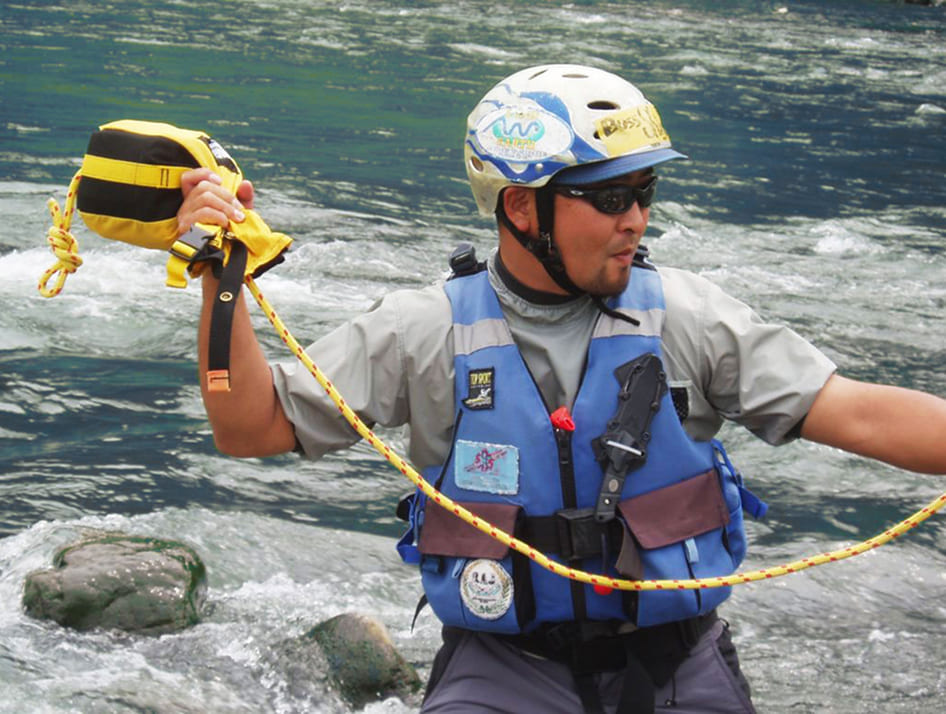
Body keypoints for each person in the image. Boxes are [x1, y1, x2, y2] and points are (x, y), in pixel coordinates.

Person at [176, 64, 946, 713]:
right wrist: (221, 282)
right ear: (521, 205)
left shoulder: (689, 315)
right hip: (501, 667)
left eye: (644, 193)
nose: (636, 220)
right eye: (611, 198)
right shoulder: (421, 330)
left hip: (679, 667)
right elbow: (251, 428)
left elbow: (852, 409)